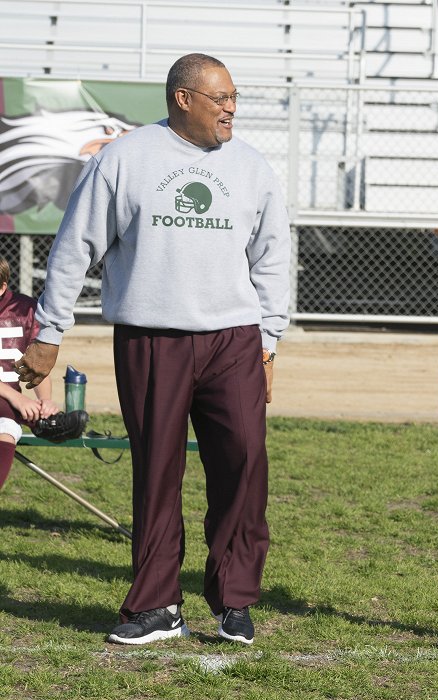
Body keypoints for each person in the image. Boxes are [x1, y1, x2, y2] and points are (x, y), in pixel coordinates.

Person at [13, 53, 291, 647]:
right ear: (183, 99)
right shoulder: (124, 160)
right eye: (220, 98)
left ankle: (235, 601)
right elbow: (73, 247)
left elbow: (271, 257)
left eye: (235, 96)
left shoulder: (251, 166)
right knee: (157, 473)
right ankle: (157, 605)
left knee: (244, 466)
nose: (231, 108)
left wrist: (268, 342)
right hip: (150, 339)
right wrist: (47, 333)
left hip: (234, 341)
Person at [0, 255, 88, 489]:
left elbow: (37, 364)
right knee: (8, 417)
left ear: (2, 287)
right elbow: (14, 396)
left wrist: (45, 401)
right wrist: (15, 397)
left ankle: (42, 417)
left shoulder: (25, 309)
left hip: (7, 406)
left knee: (6, 424)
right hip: (9, 401)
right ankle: (43, 424)